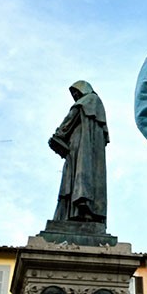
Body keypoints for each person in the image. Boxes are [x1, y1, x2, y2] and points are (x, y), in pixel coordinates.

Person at [49, 80, 109, 223]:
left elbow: (71, 117)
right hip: (82, 145)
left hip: (81, 144)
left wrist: (59, 134)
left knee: (78, 175)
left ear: (84, 89)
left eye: (76, 92)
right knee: (76, 176)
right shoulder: (95, 104)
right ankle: (77, 213)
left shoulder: (90, 99)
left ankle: (78, 210)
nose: (75, 96)